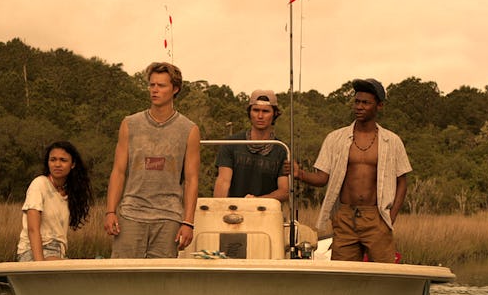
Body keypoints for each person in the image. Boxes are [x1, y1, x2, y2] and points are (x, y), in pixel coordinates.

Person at [288, 78, 411, 262]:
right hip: (345, 216)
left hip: (376, 216)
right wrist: (299, 174)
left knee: (386, 272)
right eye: (357, 101)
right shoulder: (335, 138)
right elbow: (322, 178)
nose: (359, 107)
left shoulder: (392, 141)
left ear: (379, 106)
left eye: (366, 103)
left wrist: (390, 217)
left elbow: (402, 181)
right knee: (343, 274)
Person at [103, 61, 201, 258]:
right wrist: (110, 211)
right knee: (123, 278)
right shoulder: (130, 124)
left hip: (169, 217)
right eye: (152, 85)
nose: (155, 90)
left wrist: (188, 222)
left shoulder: (189, 129)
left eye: (161, 85)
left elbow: (191, 180)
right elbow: (118, 171)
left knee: (161, 283)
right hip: (131, 213)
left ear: (175, 89)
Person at [17, 141, 93, 261]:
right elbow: (33, 229)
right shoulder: (40, 184)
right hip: (33, 251)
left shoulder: (70, 192)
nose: (57, 164)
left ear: (72, 164)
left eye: (63, 160)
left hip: (57, 253)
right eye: (53, 160)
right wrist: (40, 265)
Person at [213, 89, 289, 202]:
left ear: (274, 114)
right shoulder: (231, 144)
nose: (260, 116)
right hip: (233, 211)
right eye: (256, 110)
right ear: (249, 112)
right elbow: (223, 181)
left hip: (266, 212)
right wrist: (218, 208)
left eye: (265, 111)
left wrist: (256, 201)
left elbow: (284, 191)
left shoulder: (281, 149)